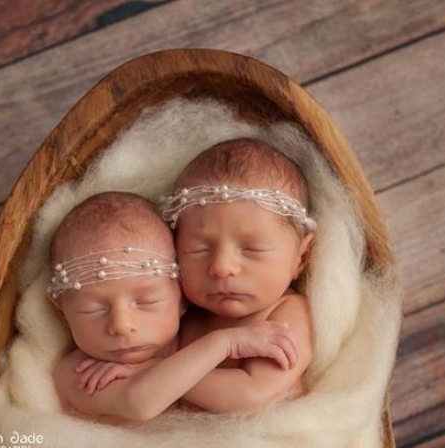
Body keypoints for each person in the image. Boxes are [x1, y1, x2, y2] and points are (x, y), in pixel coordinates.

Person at [49, 191, 298, 425]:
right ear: (61, 313)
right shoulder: (80, 373)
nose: (121, 326)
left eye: (146, 302)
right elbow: (140, 403)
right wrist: (226, 344)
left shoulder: (191, 338)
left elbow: (251, 394)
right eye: (93, 309)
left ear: (181, 299)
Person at [159, 137, 318, 413]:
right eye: (199, 249)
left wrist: (154, 375)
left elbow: (253, 392)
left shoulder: (286, 314)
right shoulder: (184, 314)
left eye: (252, 249)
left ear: (301, 257)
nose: (221, 267)